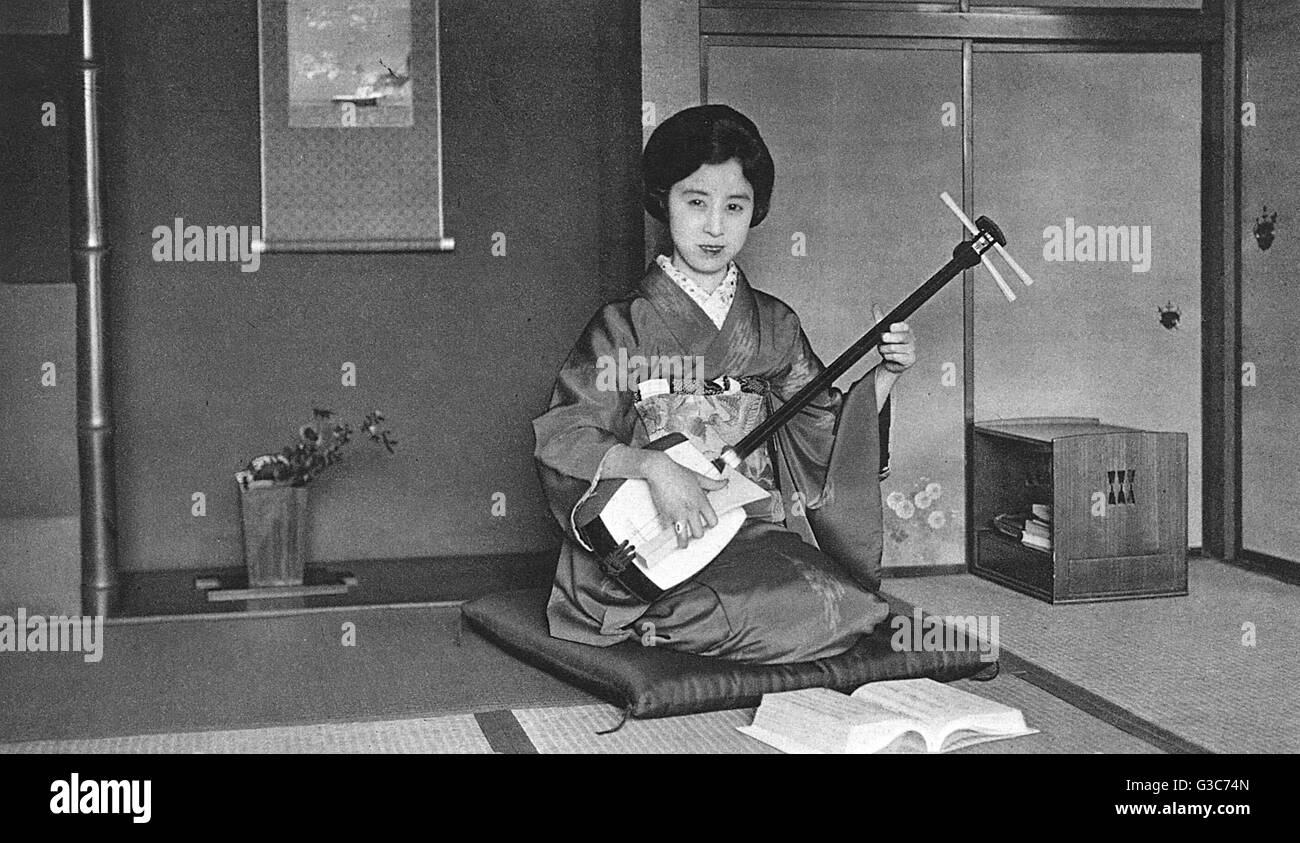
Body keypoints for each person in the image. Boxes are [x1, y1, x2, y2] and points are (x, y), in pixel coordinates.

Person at [531, 104, 916, 664]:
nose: (715, 227)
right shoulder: (624, 326)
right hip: (657, 535)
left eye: (734, 206)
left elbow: (822, 426)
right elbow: (568, 433)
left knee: (851, 607)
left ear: (754, 210)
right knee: (743, 610)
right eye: (696, 202)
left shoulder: (776, 325)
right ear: (664, 202)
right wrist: (655, 467)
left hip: (745, 525)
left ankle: (697, 619)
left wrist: (885, 376)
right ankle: (659, 614)